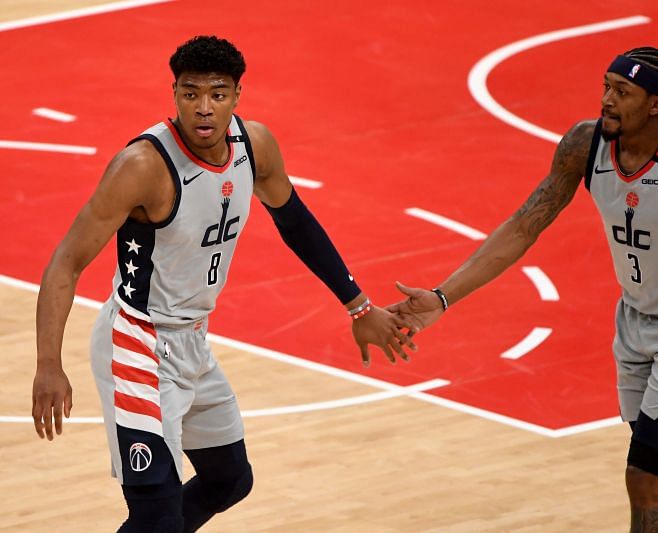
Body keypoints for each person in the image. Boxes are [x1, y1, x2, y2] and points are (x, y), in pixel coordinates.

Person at [31, 35, 415, 532]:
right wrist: (48, 366)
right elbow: (65, 262)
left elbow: (296, 222)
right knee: (156, 513)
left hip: (193, 339)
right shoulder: (143, 167)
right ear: (175, 95)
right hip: (137, 346)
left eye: (217, 93)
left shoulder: (254, 146)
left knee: (230, 479)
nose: (204, 108)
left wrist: (360, 308)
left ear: (237, 96)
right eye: (191, 94)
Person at [388, 46, 658, 533]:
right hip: (635, 320)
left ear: (657, 104)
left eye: (623, 92)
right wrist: (442, 297)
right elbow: (525, 224)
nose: (607, 100)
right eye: (605, 86)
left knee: (645, 475)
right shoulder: (584, 145)